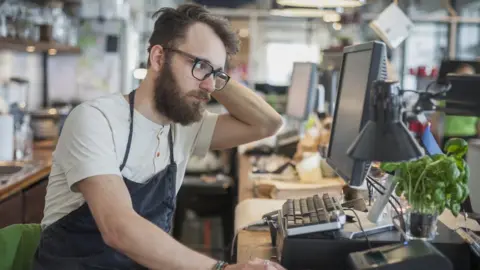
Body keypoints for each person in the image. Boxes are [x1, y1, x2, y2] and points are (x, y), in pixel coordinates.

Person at [33, 4, 285, 270]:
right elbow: (118, 228)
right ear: (158, 58)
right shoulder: (95, 120)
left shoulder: (185, 128)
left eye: (216, 75)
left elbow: (268, 124)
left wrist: (209, 72)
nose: (211, 87)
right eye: (198, 65)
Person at [431, 63, 479, 146]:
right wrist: (436, 138)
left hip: (470, 139)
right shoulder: (447, 96)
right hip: (450, 138)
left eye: (467, 77)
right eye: (462, 76)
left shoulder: (476, 98)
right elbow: (435, 119)